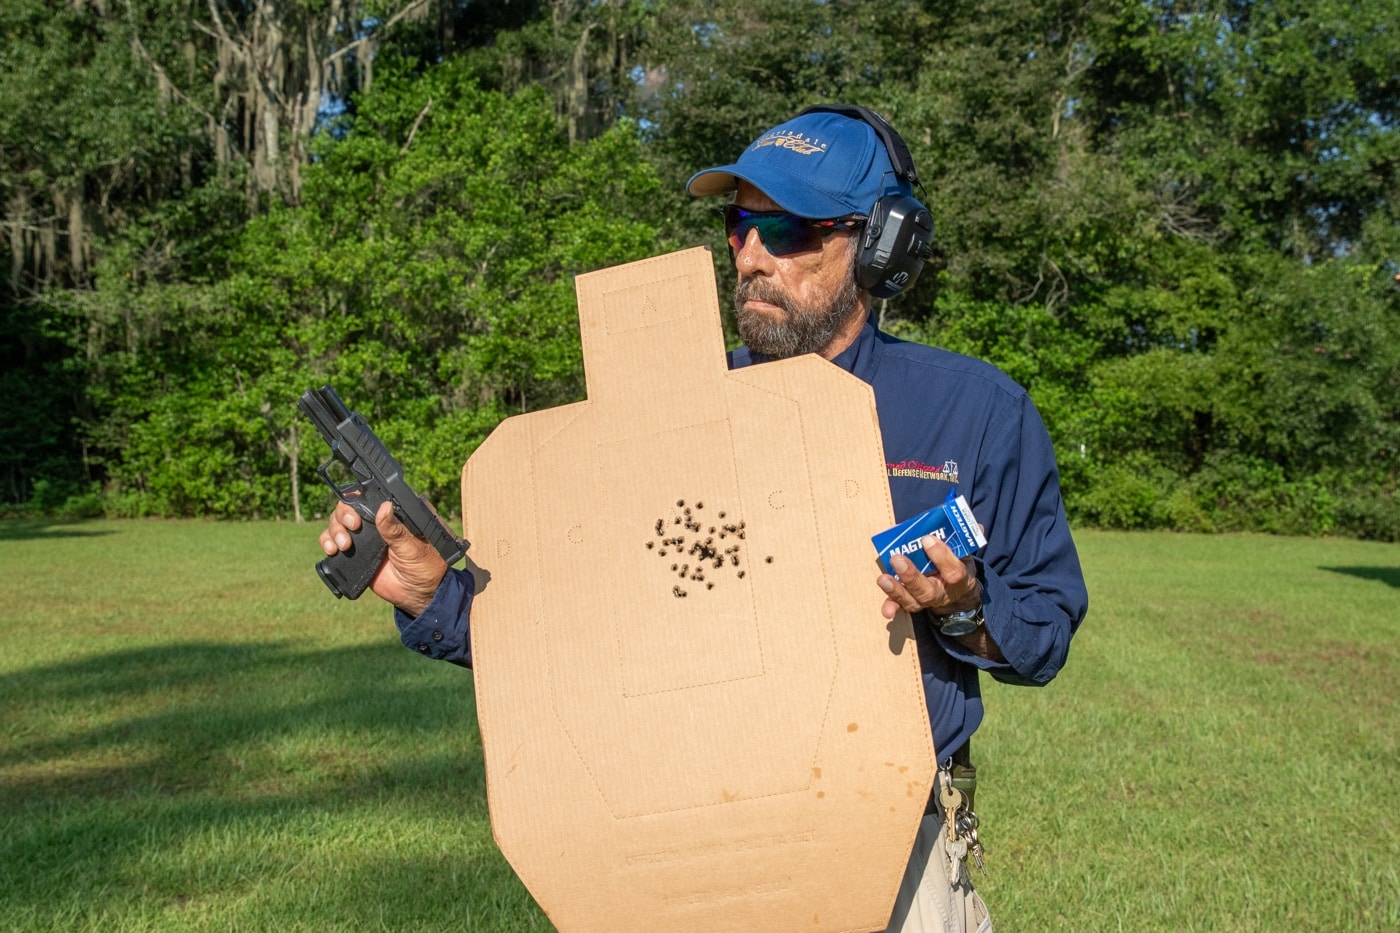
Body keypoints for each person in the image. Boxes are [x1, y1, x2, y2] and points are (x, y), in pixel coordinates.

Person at [319, 106, 1088, 933]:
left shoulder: (972, 411)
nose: (751, 255)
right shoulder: (656, 421)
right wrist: (433, 595)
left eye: (787, 228)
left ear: (880, 246)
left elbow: (1042, 632)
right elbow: (574, 646)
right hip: (677, 858)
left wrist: (960, 606)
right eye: (738, 223)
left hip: (890, 842)